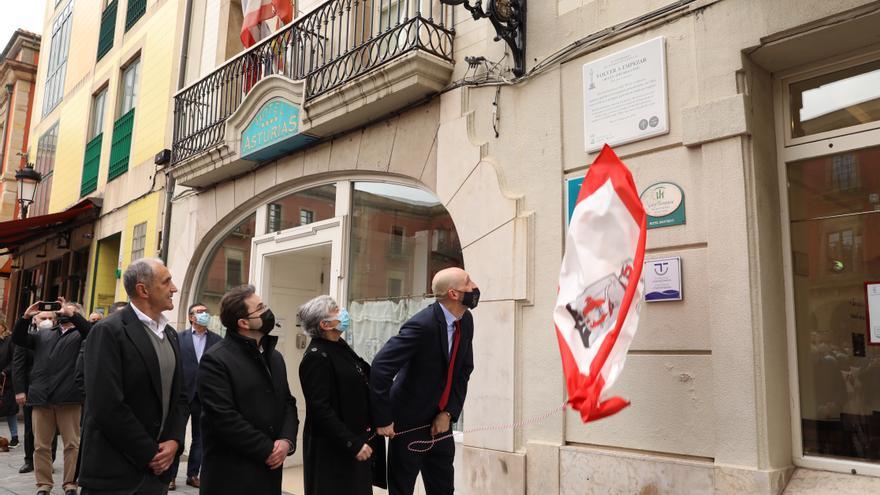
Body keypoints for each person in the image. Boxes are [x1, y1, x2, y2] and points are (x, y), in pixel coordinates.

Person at [79, 258, 188, 495]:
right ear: (143, 289)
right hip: (116, 474)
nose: (174, 288)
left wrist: (175, 441)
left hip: (156, 474)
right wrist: (149, 453)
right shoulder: (108, 331)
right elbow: (106, 405)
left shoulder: (170, 334)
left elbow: (180, 396)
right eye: (166, 281)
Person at [371, 267, 478, 495]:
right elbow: (381, 367)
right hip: (408, 424)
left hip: (441, 425)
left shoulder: (465, 320)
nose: (474, 286)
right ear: (454, 294)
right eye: (468, 282)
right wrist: (384, 418)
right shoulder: (422, 325)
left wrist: (448, 413)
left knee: (443, 489)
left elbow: (463, 370)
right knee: (403, 490)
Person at [198, 284, 299, 494]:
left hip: (269, 474)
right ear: (243, 323)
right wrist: (268, 449)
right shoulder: (216, 359)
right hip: (232, 476)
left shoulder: (275, 357)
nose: (267, 312)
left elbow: (287, 402)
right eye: (260, 307)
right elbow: (224, 417)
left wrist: (286, 441)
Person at [298, 295, 386, 495]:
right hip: (332, 448)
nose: (343, 312)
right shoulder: (316, 356)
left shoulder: (339, 346)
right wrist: (352, 443)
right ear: (325, 324)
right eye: (336, 310)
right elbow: (320, 409)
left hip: (355, 441)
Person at [12, 298, 92, 495]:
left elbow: (92, 332)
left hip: (69, 397)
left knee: (72, 444)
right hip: (42, 397)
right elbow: (18, 339)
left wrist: (75, 316)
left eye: (68, 310)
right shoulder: (45, 334)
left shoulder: (82, 335)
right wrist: (25, 317)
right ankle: (44, 485)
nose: (63, 311)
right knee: (41, 446)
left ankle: (70, 484)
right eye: (62, 309)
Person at [167, 302, 221, 490]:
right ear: (191, 317)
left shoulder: (217, 340)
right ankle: (171, 476)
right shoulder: (178, 338)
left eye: (206, 312)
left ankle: (192, 474)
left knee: (200, 437)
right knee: (177, 435)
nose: (204, 314)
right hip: (182, 395)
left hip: (204, 395)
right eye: (199, 312)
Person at [12, 315, 58, 474]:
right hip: (31, 389)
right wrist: (19, 390)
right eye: (42, 317)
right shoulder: (27, 338)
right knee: (30, 428)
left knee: (52, 427)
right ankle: (29, 460)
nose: (46, 320)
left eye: (50, 317)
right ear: (35, 320)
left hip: (53, 390)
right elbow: (18, 365)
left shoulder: (58, 336)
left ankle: (49, 460)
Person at [0, 319, 19, 448]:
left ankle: (15, 437)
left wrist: (5, 371)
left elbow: (14, 359)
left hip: (7, 380)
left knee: (10, 409)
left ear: (3, 326)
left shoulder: (10, 340)